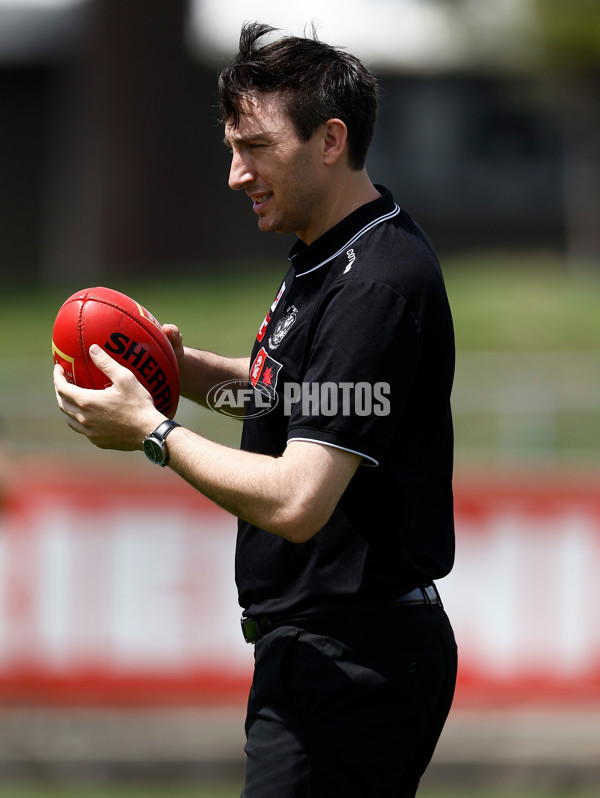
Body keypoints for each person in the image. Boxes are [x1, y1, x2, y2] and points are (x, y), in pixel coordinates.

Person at [54, 22, 457, 798]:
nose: (237, 174)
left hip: (354, 663)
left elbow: (300, 499)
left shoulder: (372, 281)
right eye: (231, 148)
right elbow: (313, 399)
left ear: (330, 139)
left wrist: (155, 433)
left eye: (258, 147)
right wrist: (185, 372)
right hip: (334, 654)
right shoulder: (330, 253)